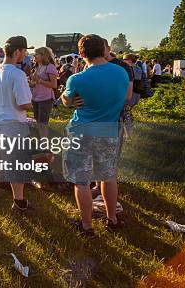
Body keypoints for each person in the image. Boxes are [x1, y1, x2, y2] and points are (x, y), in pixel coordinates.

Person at [61, 34, 129, 237]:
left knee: (81, 180)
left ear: (82, 54)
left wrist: (69, 99)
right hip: (109, 130)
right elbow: (125, 97)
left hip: (81, 131)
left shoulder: (77, 78)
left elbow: (66, 99)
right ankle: (112, 219)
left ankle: (87, 225)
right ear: (104, 49)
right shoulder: (122, 72)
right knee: (108, 176)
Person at [0, 36, 34, 212]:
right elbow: (23, 104)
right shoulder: (18, 74)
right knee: (16, 163)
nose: (26, 55)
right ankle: (19, 202)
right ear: (18, 51)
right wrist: (32, 102)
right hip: (13, 123)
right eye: (25, 51)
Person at [30, 47, 58, 139]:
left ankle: (44, 145)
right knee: (38, 122)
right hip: (36, 98)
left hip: (46, 98)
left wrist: (39, 80)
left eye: (36, 54)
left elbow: (54, 85)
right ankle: (41, 142)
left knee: (43, 123)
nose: (34, 56)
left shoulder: (50, 67)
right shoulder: (37, 67)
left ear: (43, 55)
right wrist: (32, 83)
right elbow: (36, 84)